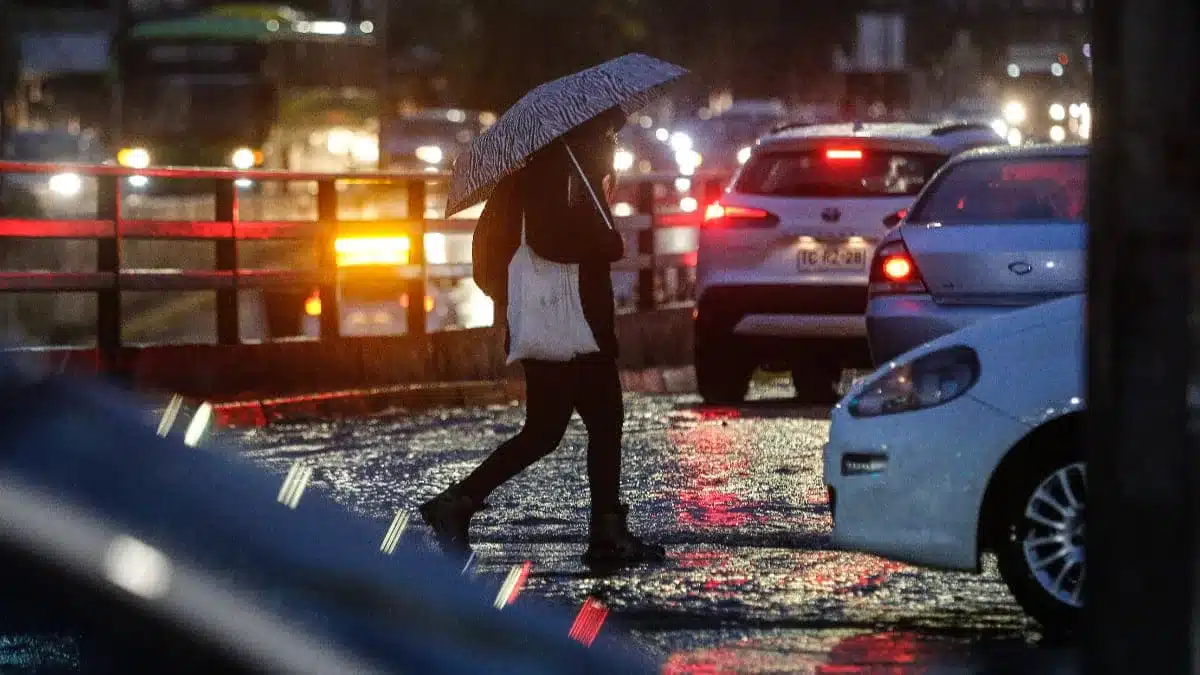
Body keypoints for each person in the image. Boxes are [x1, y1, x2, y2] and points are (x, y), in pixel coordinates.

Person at [420, 108, 666, 568]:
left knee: (574, 425)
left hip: (567, 321)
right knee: (572, 426)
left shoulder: (569, 168)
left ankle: (601, 528)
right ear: (588, 132)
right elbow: (551, 240)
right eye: (610, 133)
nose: (614, 141)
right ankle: (462, 504)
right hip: (565, 322)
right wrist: (606, 244)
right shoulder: (558, 169)